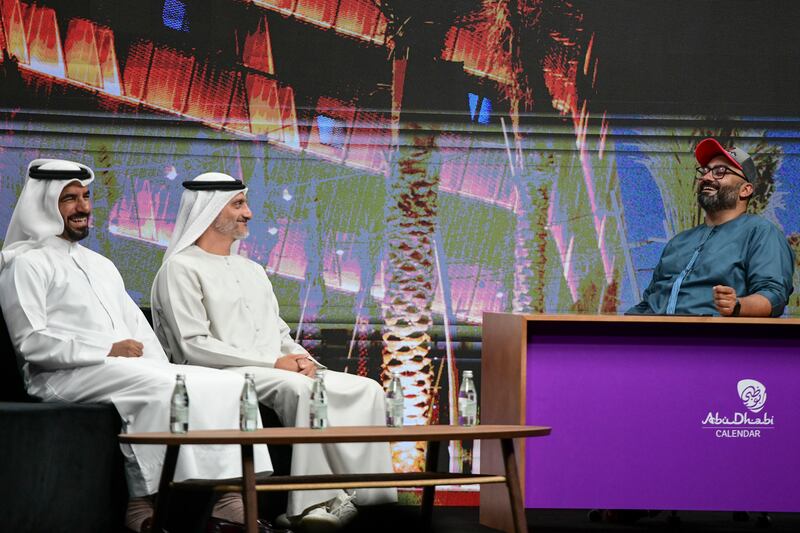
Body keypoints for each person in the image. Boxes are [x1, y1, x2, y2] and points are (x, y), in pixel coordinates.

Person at [0, 160, 273, 533]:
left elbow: (138, 332)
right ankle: (141, 504)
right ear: (45, 205)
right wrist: (106, 350)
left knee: (229, 384)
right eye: (69, 199)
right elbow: (30, 341)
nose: (83, 207)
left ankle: (229, 499)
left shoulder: (100, 264)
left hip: (115, 368)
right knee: (164, 389)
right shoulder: (24, 264)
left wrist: (164, 366)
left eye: (85, 197)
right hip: (61, 375)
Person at [151, 173, 396, 530]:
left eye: (245, 203)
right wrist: (275, 363)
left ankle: (370, 501)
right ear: (208, 211)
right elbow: (193, 345)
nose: (248, 213)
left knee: (366, 388)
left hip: (271, 368)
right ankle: (310, 505)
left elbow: (279, 332)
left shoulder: (252, 270)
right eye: (238, 204)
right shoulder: (180, 268)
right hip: (218, 373)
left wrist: (302, 359)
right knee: (301, 390)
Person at [627, 137, 794, 316]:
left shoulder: (760, 232)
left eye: (720, 171)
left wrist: (737, 305)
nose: (706, 177)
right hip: (651, 338)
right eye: (705, 171)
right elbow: (649, 300)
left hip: (711, 340)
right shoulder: (679, 241)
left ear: (745, 190)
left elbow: (774, 296)